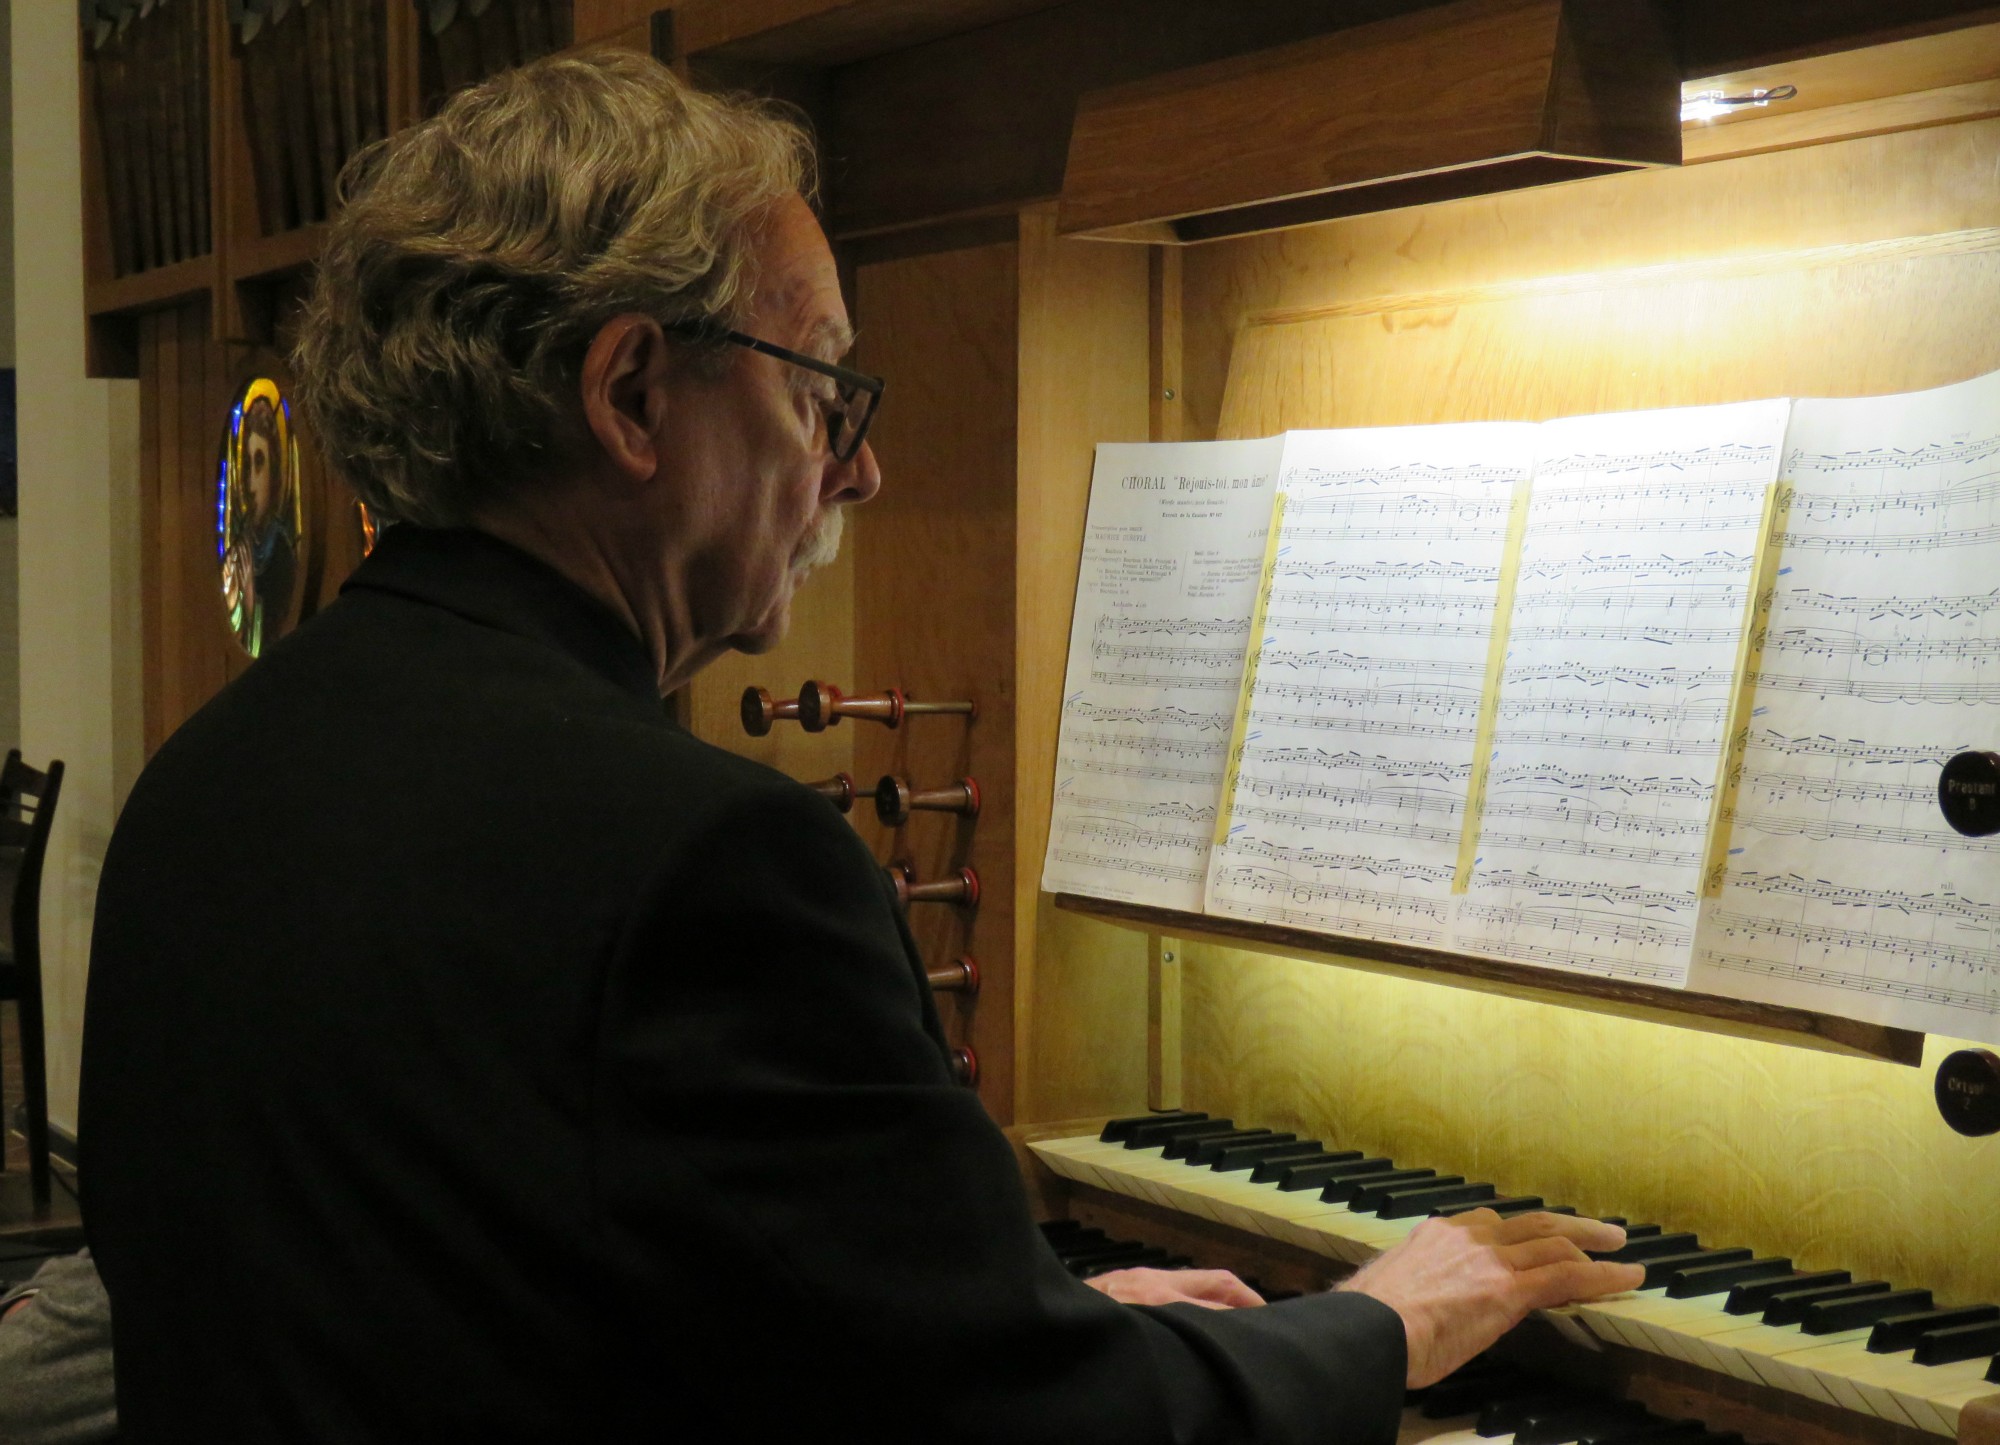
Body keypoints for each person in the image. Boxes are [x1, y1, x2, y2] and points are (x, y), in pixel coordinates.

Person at [78, 51, 1642, 1444]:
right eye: (826, 393)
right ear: (632, 391)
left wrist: (990, 1309)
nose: (868, 467)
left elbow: (516, 1289)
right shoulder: (698, 859)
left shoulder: (207, 781)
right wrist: (1387, 1318)